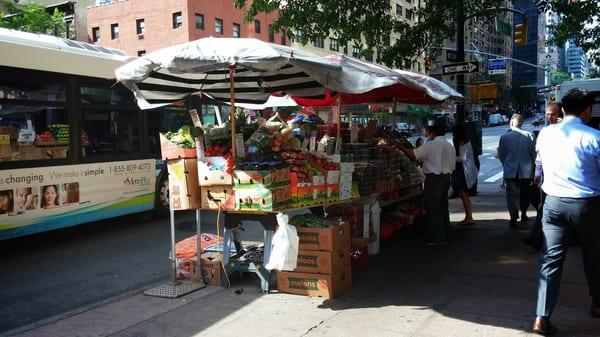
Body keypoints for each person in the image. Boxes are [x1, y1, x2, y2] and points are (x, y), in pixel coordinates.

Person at [531, 89, 600, 335]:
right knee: (594, 256)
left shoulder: (545, 135)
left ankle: (541, 316)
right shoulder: (594, 137)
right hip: (587, 206)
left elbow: (540, 163)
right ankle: (597, 303)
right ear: (586, 110)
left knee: (550, 261)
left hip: (553, 204)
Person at [398, 121, 455, 245]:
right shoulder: (449, 145)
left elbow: (413, 154)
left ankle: (437, 238)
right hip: (446, 178)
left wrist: (400, 146)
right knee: (443, 208)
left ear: (433, 133)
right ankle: (446, 234)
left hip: (434, 180)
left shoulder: (432, 144)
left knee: (433, 209)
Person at [522, 102, 563, 249]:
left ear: (561, 114)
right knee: (544, 209)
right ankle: (537, 237)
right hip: (550, 179)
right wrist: (537, 173)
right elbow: (539, 156)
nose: (550, 117)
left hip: (566, 180)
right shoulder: (545, 132)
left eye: (553, 114)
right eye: (548, 114)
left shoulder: (566, 131)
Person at [497, 114, 536, 228]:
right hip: (526, 170)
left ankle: (513, 216)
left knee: (511, 195)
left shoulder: (504, 137)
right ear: (522, 123)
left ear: (511, 123)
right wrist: (534, 170)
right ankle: (523, 212)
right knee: (525, 193)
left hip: (510, 170)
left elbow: (501, 154)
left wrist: (506, 164)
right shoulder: (530, 136)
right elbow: (534, 155)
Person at [452, 125, 478, 226]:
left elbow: (462, 158)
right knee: (464, 195)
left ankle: (469, 217)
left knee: (464, 194)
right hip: (466, 170)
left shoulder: (463, 144)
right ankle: (468, 216)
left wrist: (451, 157)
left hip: (464, 171)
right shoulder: (466, 141)